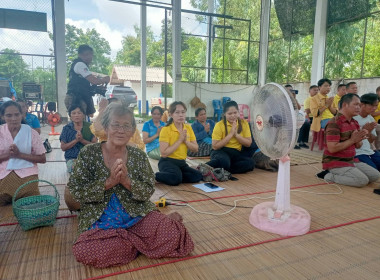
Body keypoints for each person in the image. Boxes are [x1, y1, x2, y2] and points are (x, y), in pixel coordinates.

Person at [68, 102, 194, 268]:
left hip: (135, 214)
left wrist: (127, 182)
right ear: (106, 127)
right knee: (85, 251)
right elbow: (77, 191)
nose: (121, 130)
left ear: (132, 130)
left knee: (174, 234)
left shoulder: (138, 155)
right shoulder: (88, 153)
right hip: (101, 217)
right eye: (116, 125)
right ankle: (143, 242)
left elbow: (148, 189)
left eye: (126, 126)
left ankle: (127, 242)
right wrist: (109, 182)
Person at [316, 94, 380, 187]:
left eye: (359, 105)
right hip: (336, 161)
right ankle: (328, 175)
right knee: (362, 181)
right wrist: (352, 140)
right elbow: (332, 149)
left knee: (375, 175)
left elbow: (358, 146)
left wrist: (360, 137)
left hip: (351, 160)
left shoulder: (354, 122)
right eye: (356, 104)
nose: (359, 107)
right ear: (345, 105)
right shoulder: (334, 123)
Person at [0, 101, 46, 205]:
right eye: (9, 115)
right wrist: (9, 155)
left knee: (32, 199)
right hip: (3, 172)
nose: (14, 118)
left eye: (17, 114)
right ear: (3, 117)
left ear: (22, 115)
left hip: (27, 172)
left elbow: (43, 158)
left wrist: (19, 155)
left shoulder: (31, 133)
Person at [155, 101, 203, 186]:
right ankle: (154, 176)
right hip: (167, 162)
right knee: (176, 179)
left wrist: (186, 142)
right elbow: (164, 153)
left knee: (198, 175)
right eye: (177, 112)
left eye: (183, 112)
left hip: (181, 163)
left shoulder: (188, 128)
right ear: (170, 114)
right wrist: (179, 140)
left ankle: (175, 176)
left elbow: (195, 148)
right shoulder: (166, 129)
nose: (181, 115)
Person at [206, 101, 254, 174]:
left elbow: (248, 143)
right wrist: (230, 134)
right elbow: (215, 146)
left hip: (236, 153)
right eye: (229, 114)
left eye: (235, 113)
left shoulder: (244, 123)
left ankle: (222, 170)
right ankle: (206, 166)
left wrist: (236, 135)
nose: (233, 116)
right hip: (220, 151)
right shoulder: (219, 125)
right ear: (224, 114)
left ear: (238, 112)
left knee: (250, 163)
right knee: (224, 161)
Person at [65, 45, 110, 117]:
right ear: (79, 55)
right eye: (86, 55)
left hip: (80, 96)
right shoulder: (80, 64)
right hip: (76, 98)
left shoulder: (82, 66)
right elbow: (94, 81)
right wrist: (105, 79)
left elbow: (83, 85)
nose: (89, 57)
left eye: (90, 54)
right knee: (79, 122)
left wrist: (96, 89)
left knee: (84, 121)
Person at [60, 104, 97, 173]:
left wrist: (82, 140)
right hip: (72, 159)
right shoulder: (66, 129)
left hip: (88, 158)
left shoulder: (90, 127)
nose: (76, 115)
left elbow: (95, 147)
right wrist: (76, 140)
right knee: (79, 170)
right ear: (70, 116)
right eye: (73, 113)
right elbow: (63, 147)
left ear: (83, 115)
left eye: (79, 113)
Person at [353, 93, 380, 170]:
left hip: (369, 151)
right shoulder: (353, 118)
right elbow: (352, 140)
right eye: (372, 105)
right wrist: (363, 131)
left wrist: (369, 131)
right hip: (357, 152)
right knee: (373, 170)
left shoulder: (370, 119)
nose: (374, 108)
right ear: (362, 105)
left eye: (376, 105)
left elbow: (371, 140)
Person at [285, 85, 310, 149]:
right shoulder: (283, 98)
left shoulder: (293, 98)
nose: (290, 92)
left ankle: (301, 141)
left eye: (291, 90)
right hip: (285, 117)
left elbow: (298, 108)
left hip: (294, 117)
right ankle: (290, 143)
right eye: (289, 90)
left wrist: (294, 98)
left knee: (306, 123)